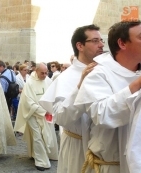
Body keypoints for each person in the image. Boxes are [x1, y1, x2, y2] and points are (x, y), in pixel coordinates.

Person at [74, 20, 141, 173]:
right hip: (110, 166)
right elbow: (101, 114)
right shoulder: (99, 74)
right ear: (122, 43)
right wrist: (138, 84)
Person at [39, 24, 103, 173]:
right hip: (77, 148)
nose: (101, 45)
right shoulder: (66, 78)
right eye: (95, 41)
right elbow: (61, 118)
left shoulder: (105, 71)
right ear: (80, 45)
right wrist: (80, 87)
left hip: (105, 148)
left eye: (101, 41)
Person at [14, 63, 58, 171]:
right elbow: (28, 102)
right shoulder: (29, 83)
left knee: (48, 134)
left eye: (46, 72)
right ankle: (41, 161)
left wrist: (51, 109)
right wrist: (42, 111)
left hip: (46, 114)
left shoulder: (48, 80)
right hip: (33, 114)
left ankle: (49, 155)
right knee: (37, 137)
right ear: (36, 71)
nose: (44, 75)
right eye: (42, 73)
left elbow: (54, 95)